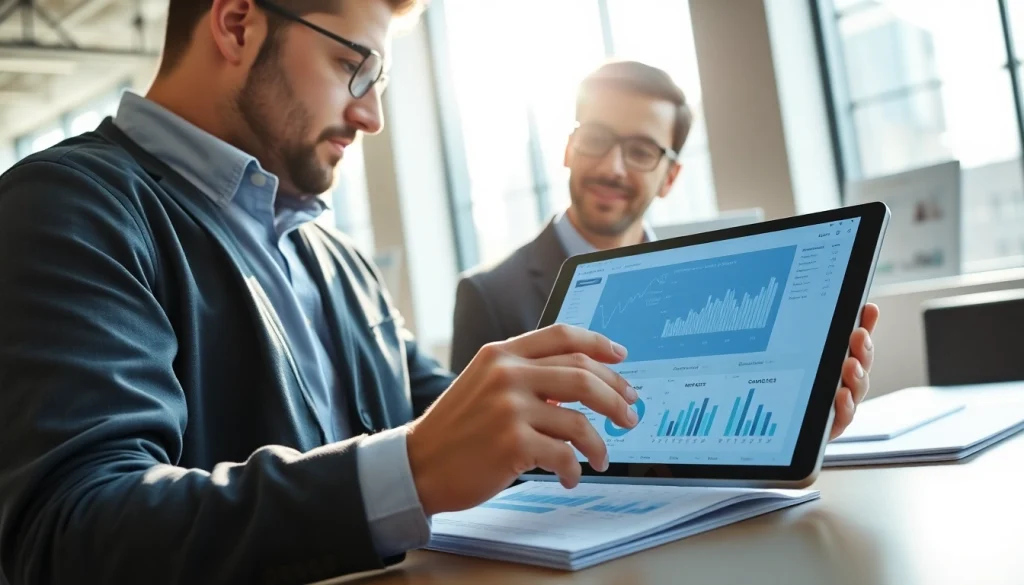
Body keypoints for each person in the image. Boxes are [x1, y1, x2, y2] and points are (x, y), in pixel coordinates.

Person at [0, 3, 871, 584]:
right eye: (353, 66)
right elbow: (71, 533)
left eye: (378, 82)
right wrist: (411, 467)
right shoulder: (68, 207)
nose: (371, 114)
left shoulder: (332, 256)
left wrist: (743, 421)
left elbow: (478, 425)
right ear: (235, 22)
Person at [449, 60, 878, 431]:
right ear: (569, 149)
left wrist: (795, 427)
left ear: (670, 178)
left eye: (640, 151)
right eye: (596, 139)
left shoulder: (707, 290)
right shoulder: (488, 296)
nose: (612, 167)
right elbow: (469, 454)